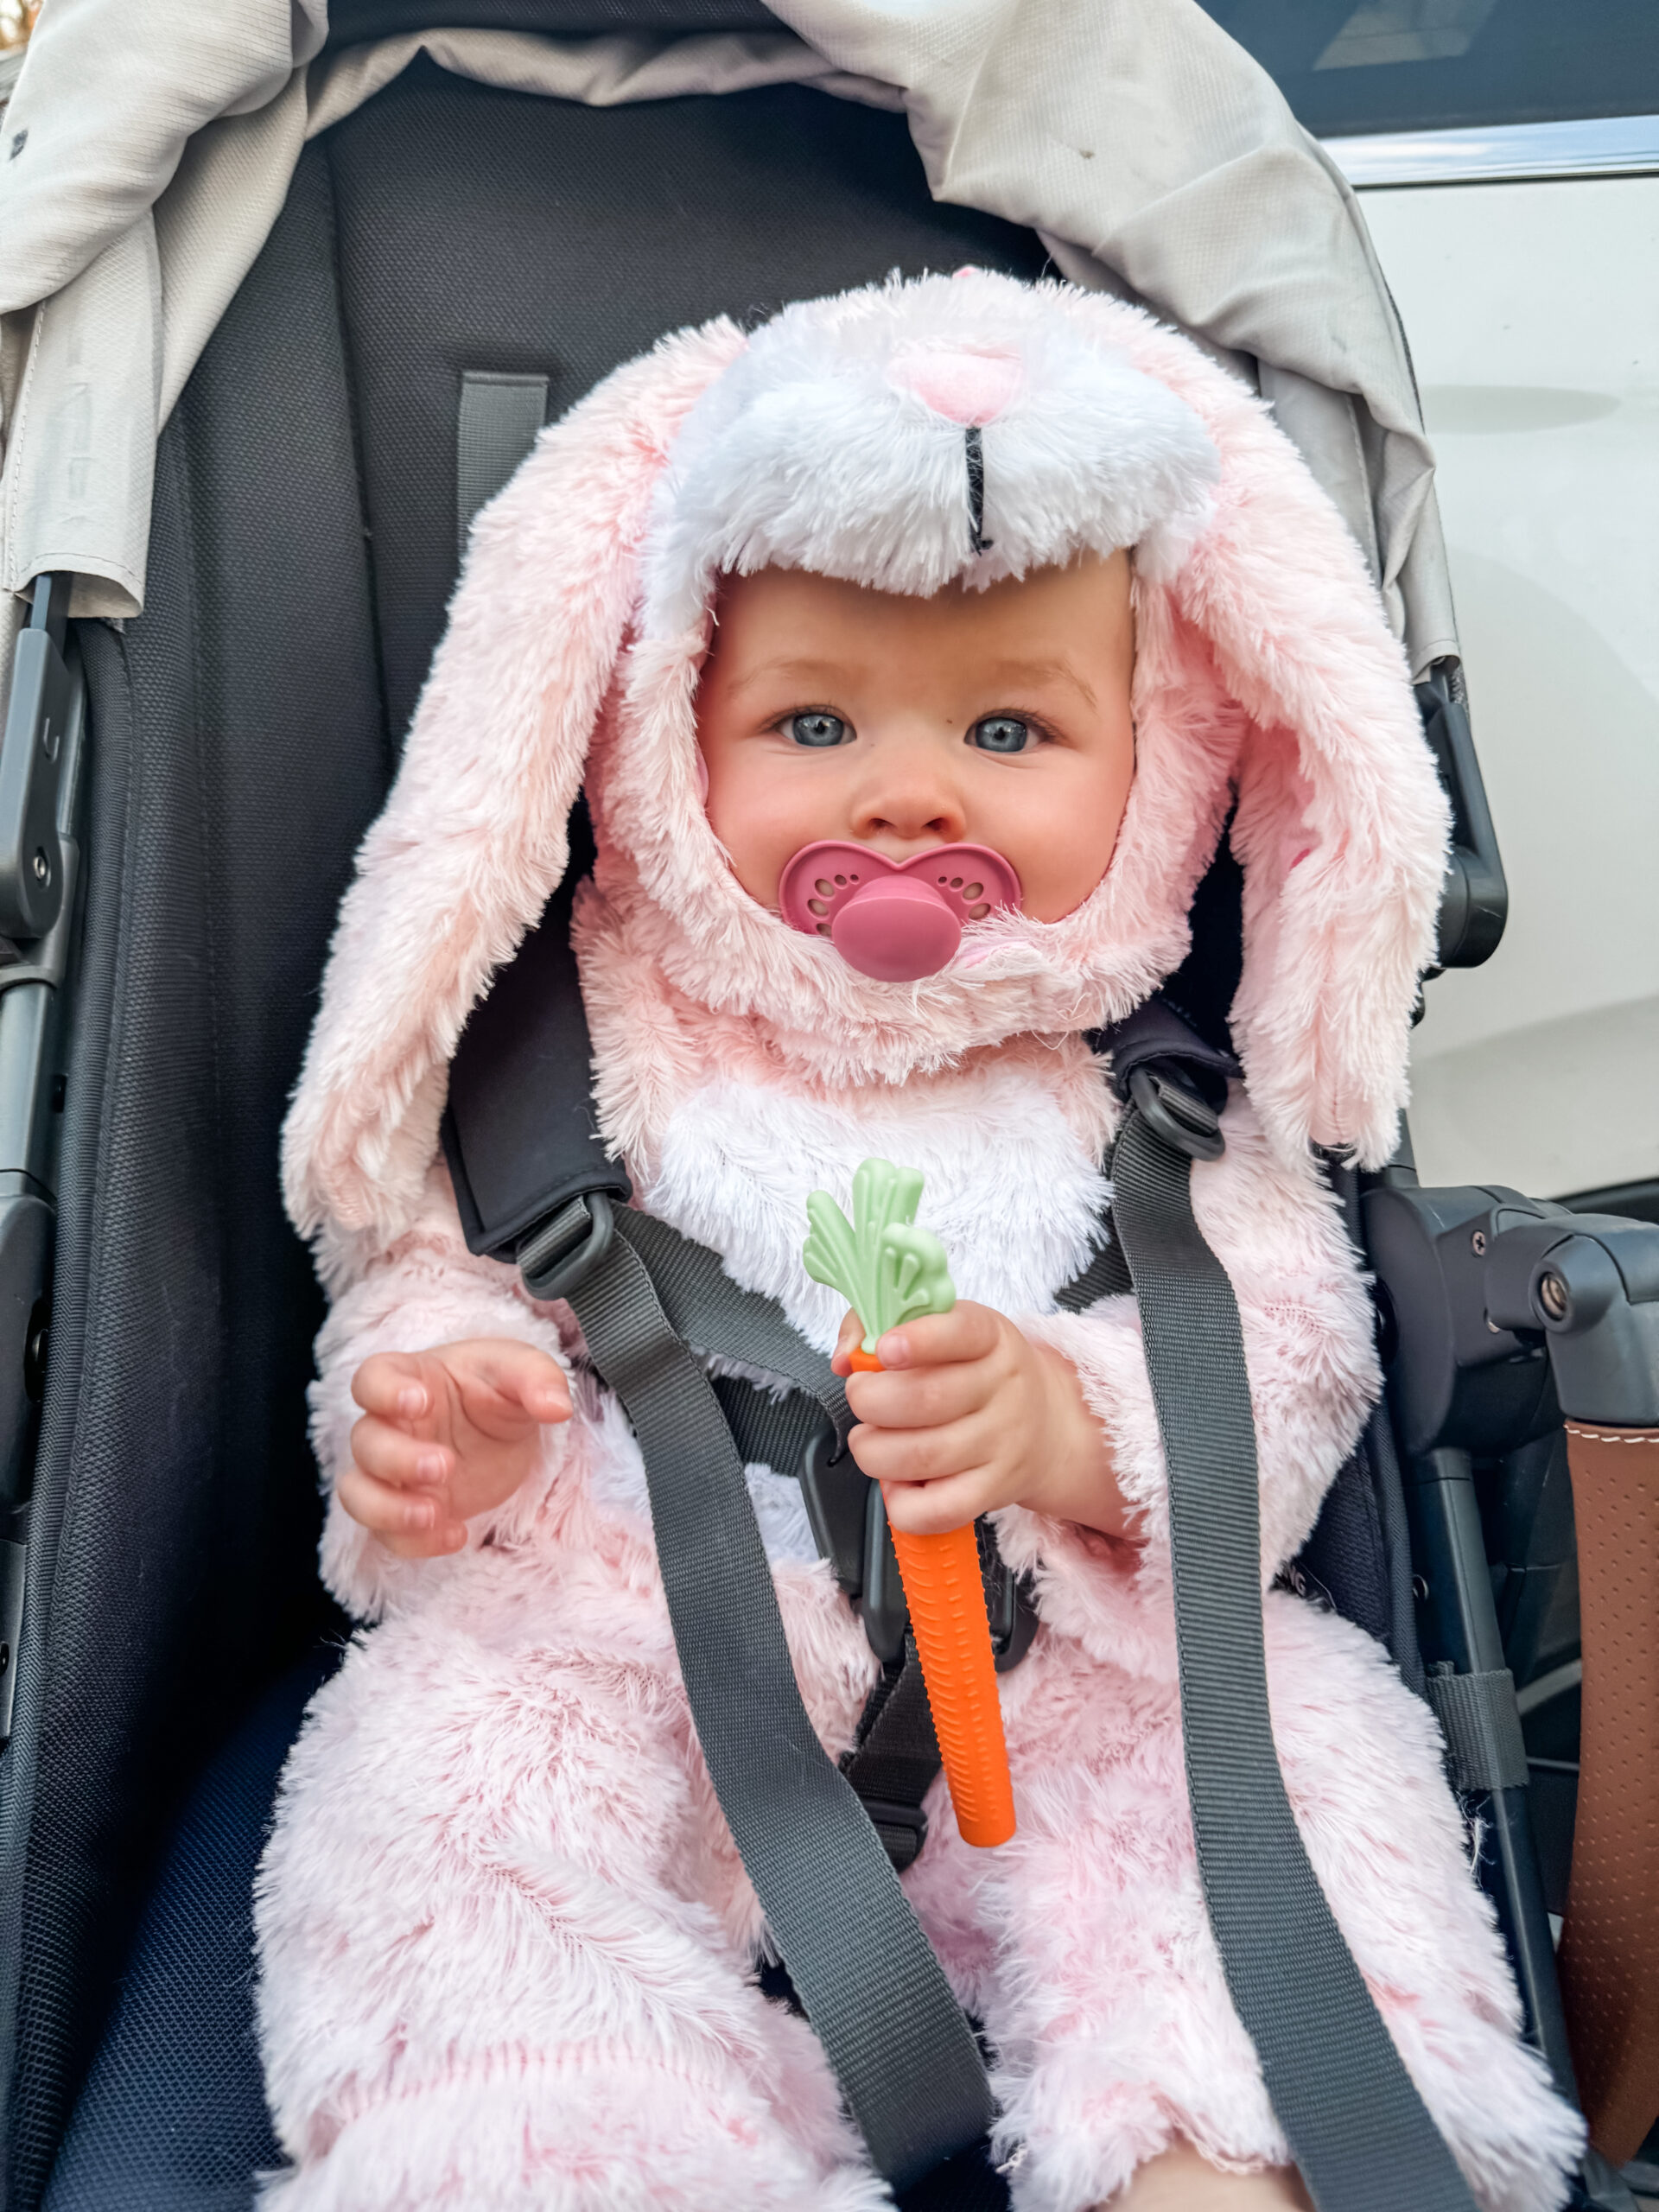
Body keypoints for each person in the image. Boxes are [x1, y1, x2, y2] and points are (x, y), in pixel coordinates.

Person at [259, 271, 1582, 2209]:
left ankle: (1220, 2151)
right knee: (438, 1803)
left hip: (1060, 1679)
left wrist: (1078, 1424)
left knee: (1286, 1767)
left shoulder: (1154, 1092)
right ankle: (589, 2145)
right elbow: (442, 1270)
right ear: (658, 724)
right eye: (812, 716)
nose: (910, 790)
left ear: (1171, 759)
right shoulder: (586, 1054)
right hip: (640, 1642)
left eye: (1004, 727)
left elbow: (1289, 1342)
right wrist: (452, 1418)